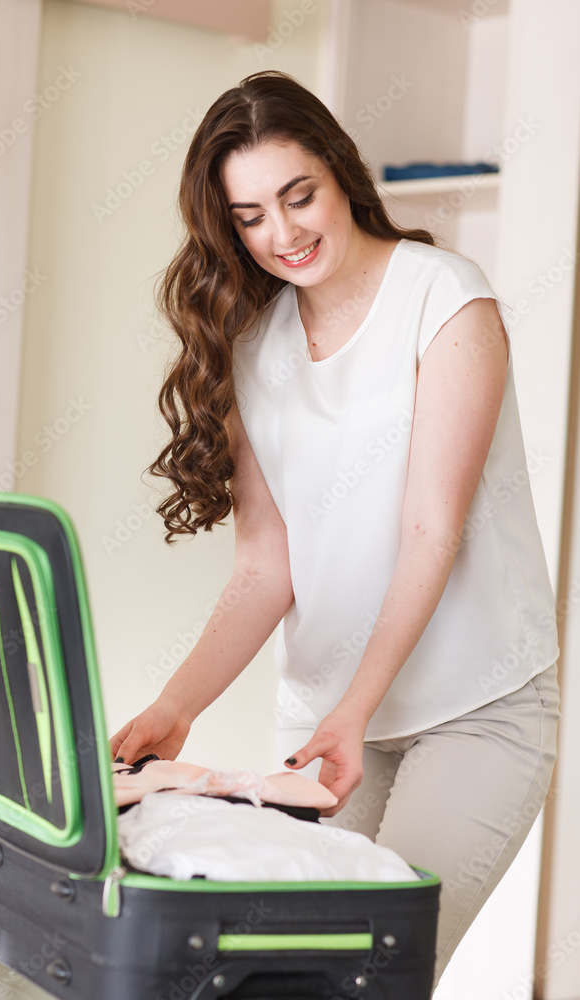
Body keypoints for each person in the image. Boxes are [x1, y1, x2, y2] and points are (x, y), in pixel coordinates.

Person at [111, 70, 561, 987]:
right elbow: (265, 567)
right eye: (249, 217)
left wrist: (354, 711)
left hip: (474, 712)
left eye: (297, 196)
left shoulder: (445, 301)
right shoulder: (250, 344)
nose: (281, 235)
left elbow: (431, 531)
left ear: (339, 172)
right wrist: (175, 707)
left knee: (377, 974)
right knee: (296, 975)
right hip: (326, 721)